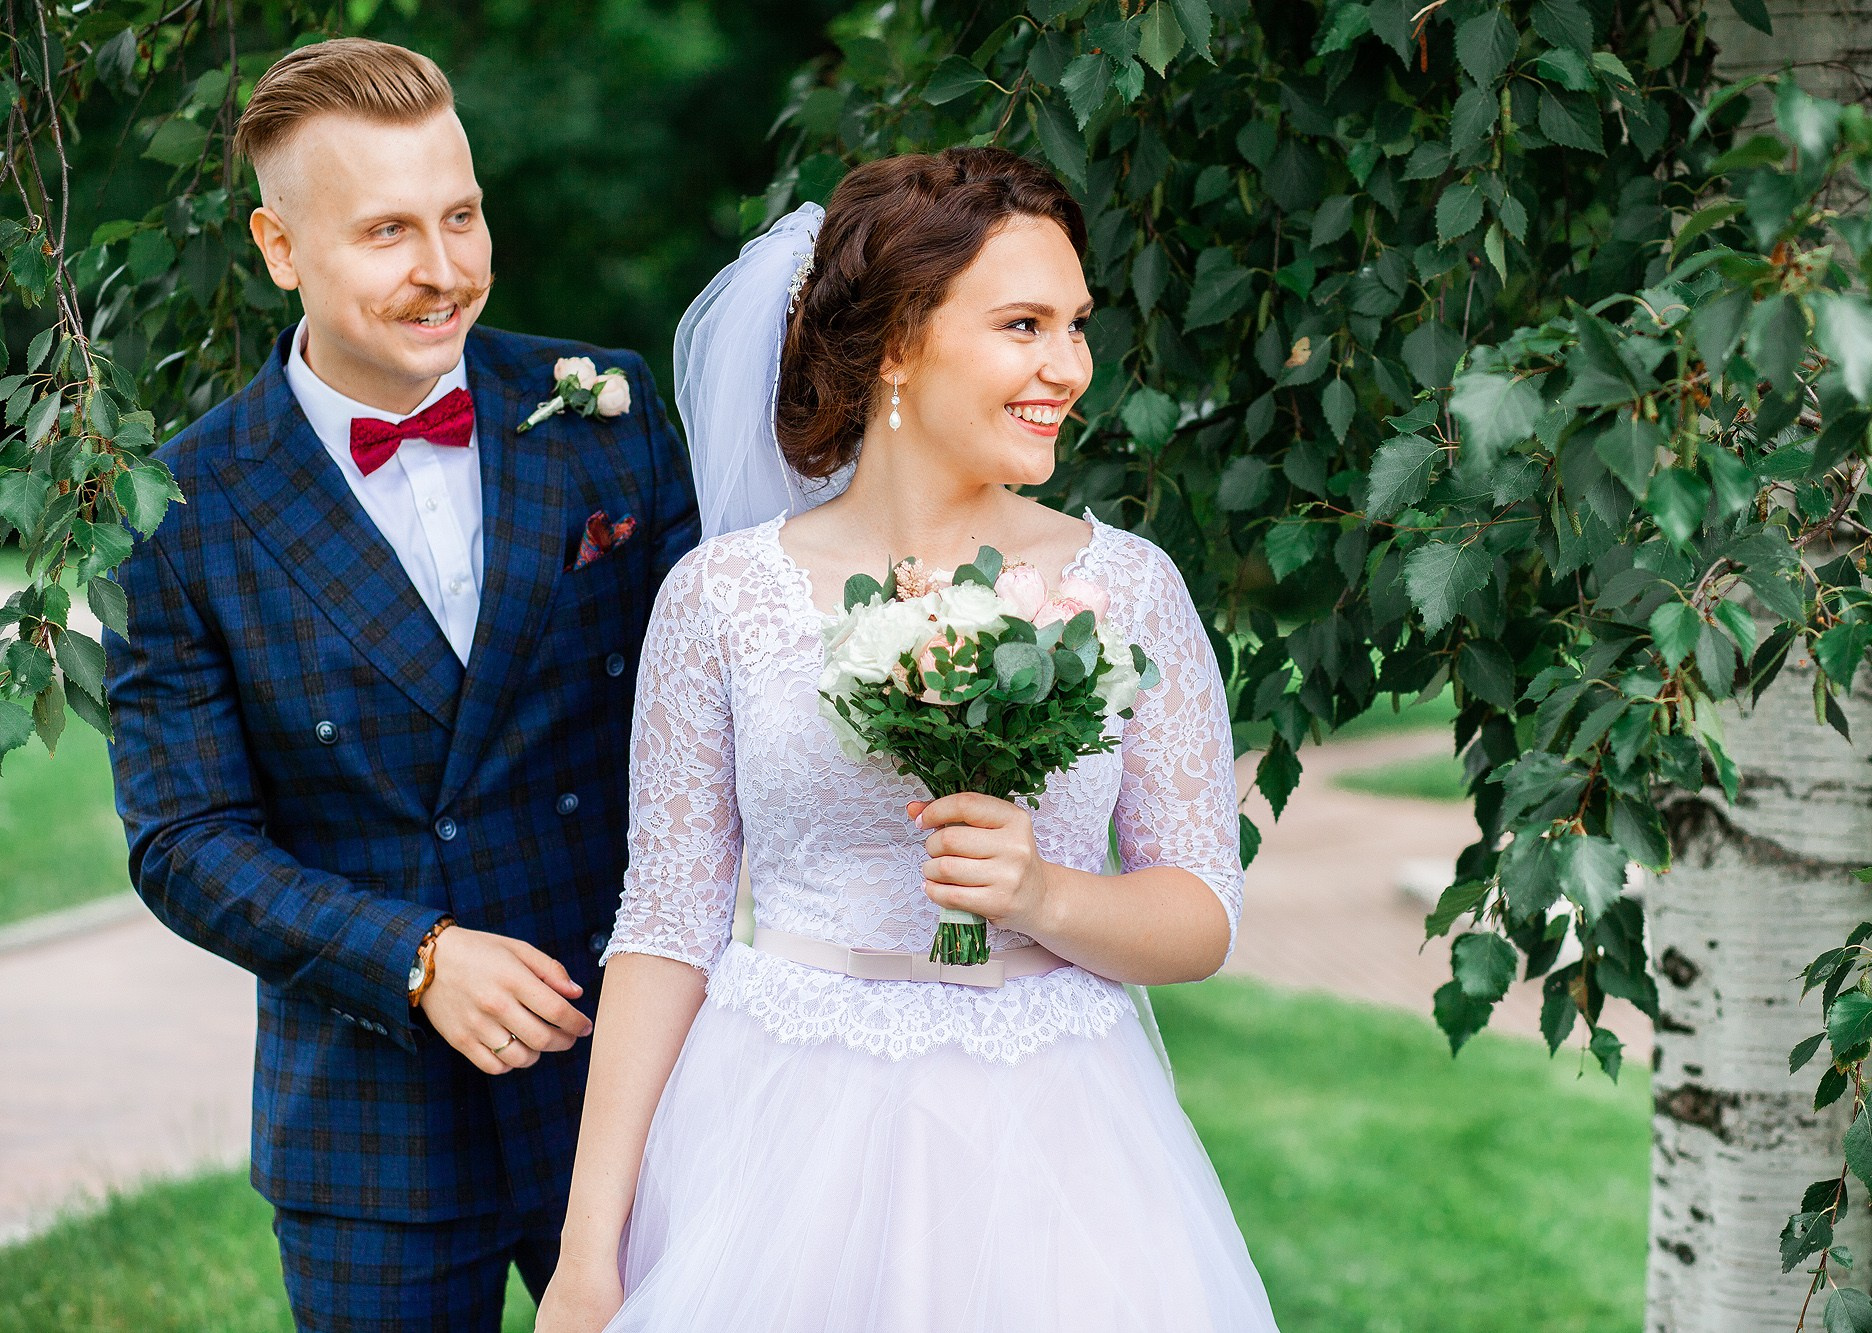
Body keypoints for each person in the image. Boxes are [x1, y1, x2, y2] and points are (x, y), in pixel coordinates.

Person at [536, 148, 1279, 1332]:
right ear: (893, 343)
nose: (1066, 368)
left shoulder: (1128, 588)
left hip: (1062, 1138)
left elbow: (1201, 913)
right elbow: (666, 925)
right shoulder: (719, 598)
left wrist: (1041, 893)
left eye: (1075, 326)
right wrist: (587, 1254)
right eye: (1023, 324)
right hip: (782, 1130)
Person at [102, 38, 698, 1332]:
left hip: (626, 1085)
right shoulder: (181, 514)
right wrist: (415, 957)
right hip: (370, 1137)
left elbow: (705, 708)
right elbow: (184, 842)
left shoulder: (604, 410)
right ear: (278, 249)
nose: (445, 272)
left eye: (463, 215)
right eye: (386, 232)